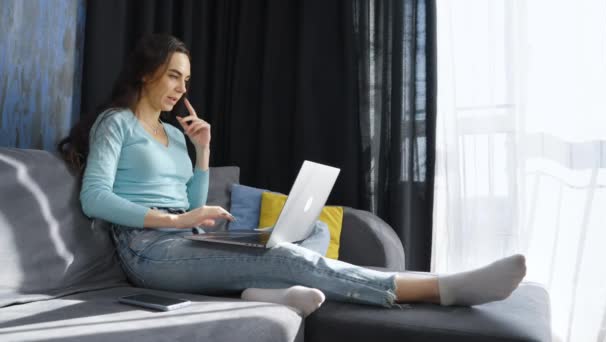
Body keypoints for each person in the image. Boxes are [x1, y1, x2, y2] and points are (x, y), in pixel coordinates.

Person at [58, 34, 526, 317]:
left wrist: (202, 152)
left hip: (190, 238)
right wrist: (176, 221)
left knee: (314, 228)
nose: (182, 89)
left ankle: (258, 293)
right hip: (148, 252)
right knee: (287, 256)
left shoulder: (175, 133)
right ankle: (437, 288)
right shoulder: (115, 123)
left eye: (186, 80)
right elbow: (95, 199)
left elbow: (189, 195)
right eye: (174, 76)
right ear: (146, 73)